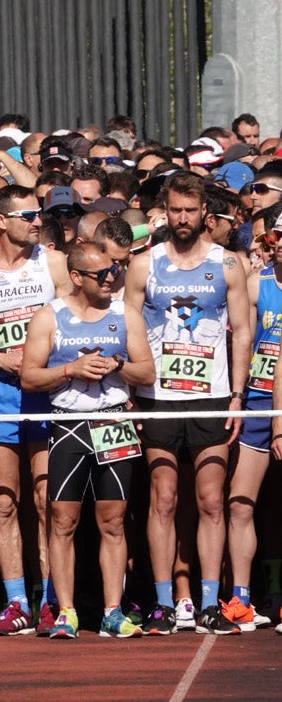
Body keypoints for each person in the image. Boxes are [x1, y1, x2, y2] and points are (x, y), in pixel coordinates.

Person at [124, 171, 251, 635]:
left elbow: (243, 335)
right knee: (164, 499)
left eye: (190, 211)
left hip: (212, 396)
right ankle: (163, 603)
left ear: (205, 215)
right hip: (158, 397)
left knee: (212, 500)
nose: (182, 218)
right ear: (166, 211)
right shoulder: (145, 265)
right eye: (174, 210)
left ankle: (207, 600)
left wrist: (237, 396)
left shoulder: (229, 265)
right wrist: (134, 397)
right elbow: (129, 332)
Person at [20, 242, 154, 639]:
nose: (111, 278)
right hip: (68, 424)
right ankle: (66, 611)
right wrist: (70, 369)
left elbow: (147, 373)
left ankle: (113, 609)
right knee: (62, 520)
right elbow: (29, 376)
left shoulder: (125, 314)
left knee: (112, 519)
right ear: (76, 277)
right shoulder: (50, 317)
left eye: (114, 269)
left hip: (112, 421)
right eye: (102, 274)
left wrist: (118, 366)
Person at [0, 185, 71, 636]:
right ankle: (16, 601)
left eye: (39, 214)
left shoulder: (51, 262)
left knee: (46, 500)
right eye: (28, 215)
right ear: (0, 221)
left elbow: (76, 316)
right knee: (3, 500)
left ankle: (51, 598)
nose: (38, 221)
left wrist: (47, 363)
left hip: (47, 393)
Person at [227, 214, 282, 631]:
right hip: (260, 402)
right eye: (274, 235)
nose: (278, 243)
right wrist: (239, 395)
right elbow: (241, 339)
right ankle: (242, 597)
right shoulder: (256, 283)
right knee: (239, 501)